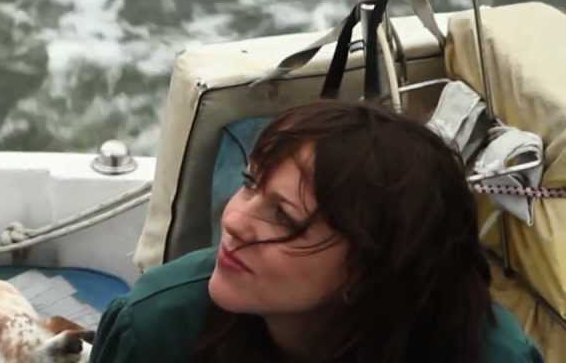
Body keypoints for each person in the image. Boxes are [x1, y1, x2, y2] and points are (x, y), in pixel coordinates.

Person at [90, 100, 543, 363]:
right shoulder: (156, 329)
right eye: (249, 184)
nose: (233, 220)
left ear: (369, 268)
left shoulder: (491, 356)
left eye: (283, 216)